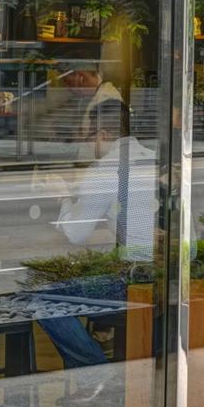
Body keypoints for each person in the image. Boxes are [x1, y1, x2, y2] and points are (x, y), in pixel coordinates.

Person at [34, 94, 155, 386]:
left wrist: (62, 194)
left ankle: (95, 373)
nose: (88, 144)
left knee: (42, 296)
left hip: (135, 279)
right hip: (176, 273)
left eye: (89, 137)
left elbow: (76, 233)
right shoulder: (154, 158)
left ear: (102, 134)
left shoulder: (104, 171)